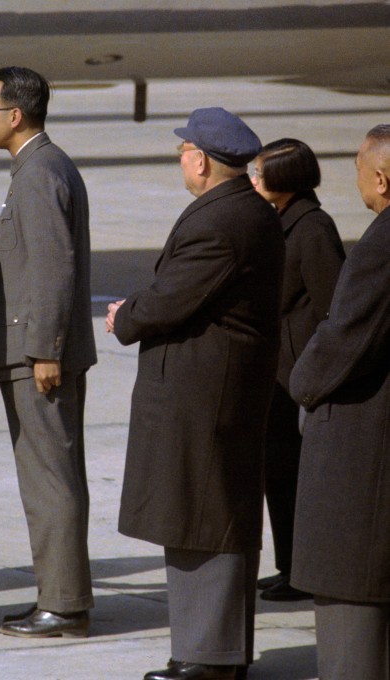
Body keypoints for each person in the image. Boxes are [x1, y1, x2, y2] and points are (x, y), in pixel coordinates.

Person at [105, 107, 284, 680]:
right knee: (198, 514)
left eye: (184, 149)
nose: (181, 157)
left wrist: (125, 315)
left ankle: (211, 657)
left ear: (201, 160)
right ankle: (207, 651)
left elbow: (171, 298)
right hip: (209, 391)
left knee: (207, 517)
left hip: (208, 397)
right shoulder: (240, 211)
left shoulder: (222, 221)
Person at [0, 66, 97, 638]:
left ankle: (65, 604)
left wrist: (45, 349)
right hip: (37, 351)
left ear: (15, 115)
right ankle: (59, 594)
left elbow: (54, 267)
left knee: (50, 478)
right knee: (52, 476)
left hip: (39, 357)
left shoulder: (38, 174)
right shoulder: (41, 167)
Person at [289, 124, 390, 679]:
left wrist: (301, 385)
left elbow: (344, 335)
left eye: (356, 168)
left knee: (352, 633)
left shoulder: (379, 245)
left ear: (380, 178)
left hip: (363, 458)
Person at [249, 139, 344, 602]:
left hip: (298, 376)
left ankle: (302, 572)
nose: (252, 178)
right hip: (277, 376)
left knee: (296, 478)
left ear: (284, 179)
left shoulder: (312, 229)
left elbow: (335, 309)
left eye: (259, 172)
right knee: (278, 476)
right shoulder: (281, 221)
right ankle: (290, 565)